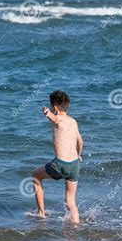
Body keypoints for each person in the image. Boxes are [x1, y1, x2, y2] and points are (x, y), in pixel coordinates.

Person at [31, 90, 83, 224]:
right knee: (70, 200)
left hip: (60, 164)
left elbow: (55, 119)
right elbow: (80, 141)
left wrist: (47, 112)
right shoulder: (73, 122)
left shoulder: (57, 119)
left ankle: (41, 213)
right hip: (74, 164)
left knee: (36, 175)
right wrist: (78, 154)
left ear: (54, 107)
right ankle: (76, 225)